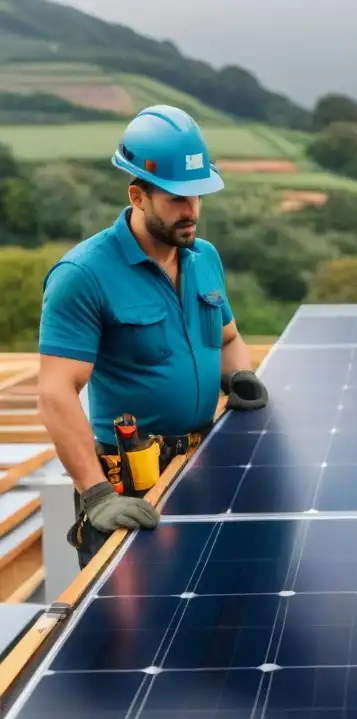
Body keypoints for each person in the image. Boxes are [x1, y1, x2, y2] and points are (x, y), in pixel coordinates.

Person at [36, 104, 270, 569]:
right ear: (137, 196)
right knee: (137, 634)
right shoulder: (83, 274)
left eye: (199, 196)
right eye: (177, 199)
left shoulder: (203, 257)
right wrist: (97, 494)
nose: (192, 211)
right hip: (130, 484)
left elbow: (227, 338)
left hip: (202, 465)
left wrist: (239, 375)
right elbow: (54, 393)